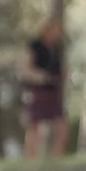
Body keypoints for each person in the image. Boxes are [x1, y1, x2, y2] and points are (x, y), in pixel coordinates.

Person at [21, 19, 68, 158]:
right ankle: (30, 157)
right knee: (34, 126)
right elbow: (25, 70)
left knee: (61, 125)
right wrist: (41, 76)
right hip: (37, 90)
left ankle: (57, 156)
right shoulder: (34, 47)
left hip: (53, 91)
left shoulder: (56, 48)